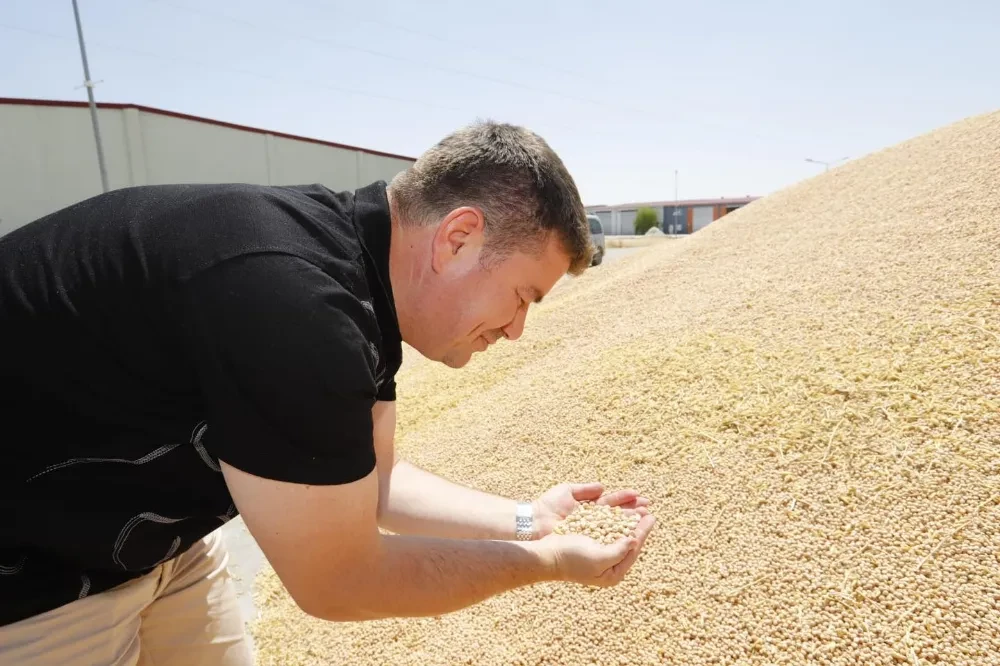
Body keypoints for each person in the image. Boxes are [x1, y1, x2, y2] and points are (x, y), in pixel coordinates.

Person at [0, 120, 655, 665]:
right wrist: (543, 561)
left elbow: (374, 482)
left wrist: (526, 520)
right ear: (458, 239)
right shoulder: (294, 304)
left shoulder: (356, 273)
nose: (516, 331)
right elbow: (339, 582)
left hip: (152, 538)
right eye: (521, 298)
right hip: (34, 574)